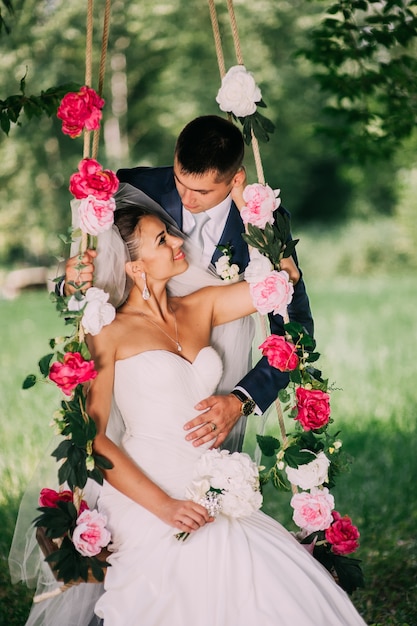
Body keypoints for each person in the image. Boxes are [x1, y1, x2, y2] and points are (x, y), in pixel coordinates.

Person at [41, 192, 365, 626]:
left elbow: (279, 285)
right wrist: (165, 507)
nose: (178, 240)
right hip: (150, 489)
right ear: (135, 268)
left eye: (169, 232)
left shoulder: (200, 305)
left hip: (209, 483)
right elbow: (95, 439)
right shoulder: (110, 333)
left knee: (267, 576)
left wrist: (255, 206)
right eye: (162, 240)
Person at [63, 115, 314, 453]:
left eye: (202, 191)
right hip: (137, 368)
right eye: (180, 181)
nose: (187, 198)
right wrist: (69, 285)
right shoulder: (137, 188)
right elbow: (93, 265)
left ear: (235, 179)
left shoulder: (265, 220)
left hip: (220, 371)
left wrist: (241, 400)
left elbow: (295, 326)